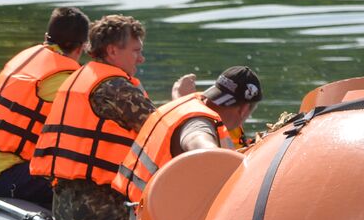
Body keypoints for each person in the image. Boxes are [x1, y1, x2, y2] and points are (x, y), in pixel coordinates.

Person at [30, 14, 159, 220]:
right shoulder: (117, 88)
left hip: (62, 206)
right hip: (101, 214)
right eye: (135, 51)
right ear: (112, 51)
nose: (141, 59)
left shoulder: (78, 77)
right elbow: (162, 132)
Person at [0, 7, 90, 207]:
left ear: (46, 37)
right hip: (8, 176)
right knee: (87, 192)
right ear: (81, 47)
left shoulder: (26, 59)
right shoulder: (64, 80)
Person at [112, 66, 263, 209]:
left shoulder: (189, 104)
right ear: (244, 110)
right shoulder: (199, 125)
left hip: (141, 212)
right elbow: (201, 144)